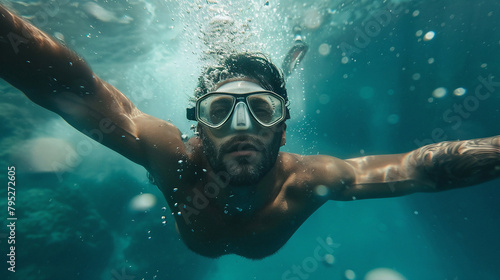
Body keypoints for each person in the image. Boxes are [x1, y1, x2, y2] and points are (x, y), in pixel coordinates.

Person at [1, 4, 499, 260]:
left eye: (261, 110)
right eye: (220, 111)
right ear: (199, 126)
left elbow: (420, 168)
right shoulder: (166, 153)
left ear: (283, 130)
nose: (242, 127)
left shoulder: (309, 181)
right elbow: (68, 87)